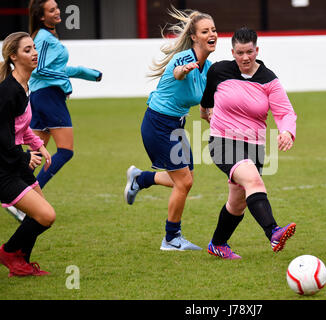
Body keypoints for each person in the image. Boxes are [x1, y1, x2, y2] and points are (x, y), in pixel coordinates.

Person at [124, 7, 217, 251]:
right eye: (205, 31)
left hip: (175, 125)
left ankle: (140, 178)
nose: (212, 34)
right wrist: (183, 70)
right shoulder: (185, 59)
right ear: (195, 37)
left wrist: (209, 115)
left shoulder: (208, 67)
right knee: (183, 181)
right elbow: (177, 73)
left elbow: (203, 102)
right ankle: (171, 238)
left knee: (186, 179)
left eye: (214, 30)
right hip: (158, 124)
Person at [200, 27, 297, 260]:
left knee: (237, 202)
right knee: (253, 180)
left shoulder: (269, 80)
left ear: (257, 50)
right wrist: (207, 114)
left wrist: (286, 132)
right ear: (232, 52)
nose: (245, 58)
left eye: (249, 52)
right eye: (240, 52)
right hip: (223, 142)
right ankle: (273, 231)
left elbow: (285, 112)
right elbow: (205, 102)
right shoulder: (219, 70)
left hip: (255, 147)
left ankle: (218, 244)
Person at [28, 0, 102, 189]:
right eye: (52, 10)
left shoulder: (47, 36)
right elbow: (38, 68)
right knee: (65, 151)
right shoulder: (44, 37)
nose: (58, 12)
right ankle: (31, 196)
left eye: (57, 8)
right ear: (42, 16)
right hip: (48, 97)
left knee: (35, 155)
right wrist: (65, 83)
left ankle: (15, 195)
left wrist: (87, 73)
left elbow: (56, 68)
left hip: (41, 97)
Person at [0, 31, 55, 277]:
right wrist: (25, 157)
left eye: (34, 48)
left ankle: (21, 264)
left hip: (14, 160)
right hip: (3, 167)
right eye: (26, 50)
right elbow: (2, 138)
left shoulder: (25, 85)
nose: (34, 53)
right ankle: (8, 253)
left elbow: (19, 127)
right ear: (13, 56)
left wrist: (39, 145)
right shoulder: (7, 91)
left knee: (40, 215)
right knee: (46, 215)